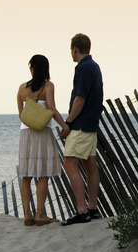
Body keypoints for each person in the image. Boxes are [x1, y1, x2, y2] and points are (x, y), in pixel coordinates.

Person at [17, 54, 70, 226]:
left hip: (25, 134)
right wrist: (65, 126)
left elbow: (21, 116)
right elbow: (52, 109)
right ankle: (40, 214)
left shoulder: (21, 88)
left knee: (26, 174)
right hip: (42, 132)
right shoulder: (48, 86)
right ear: (46, 68)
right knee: (44, 174)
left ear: (32, 68)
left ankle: (27, 214)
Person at [60, 33, 103, 225]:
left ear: (75, 49)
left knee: (70, 164)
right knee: (89, 164)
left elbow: (80, 98)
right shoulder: (95, 67)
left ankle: (82, 211)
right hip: (92, 123)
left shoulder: (83, 68)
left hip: (80, 124)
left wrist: (68, 122)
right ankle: (92, 209)